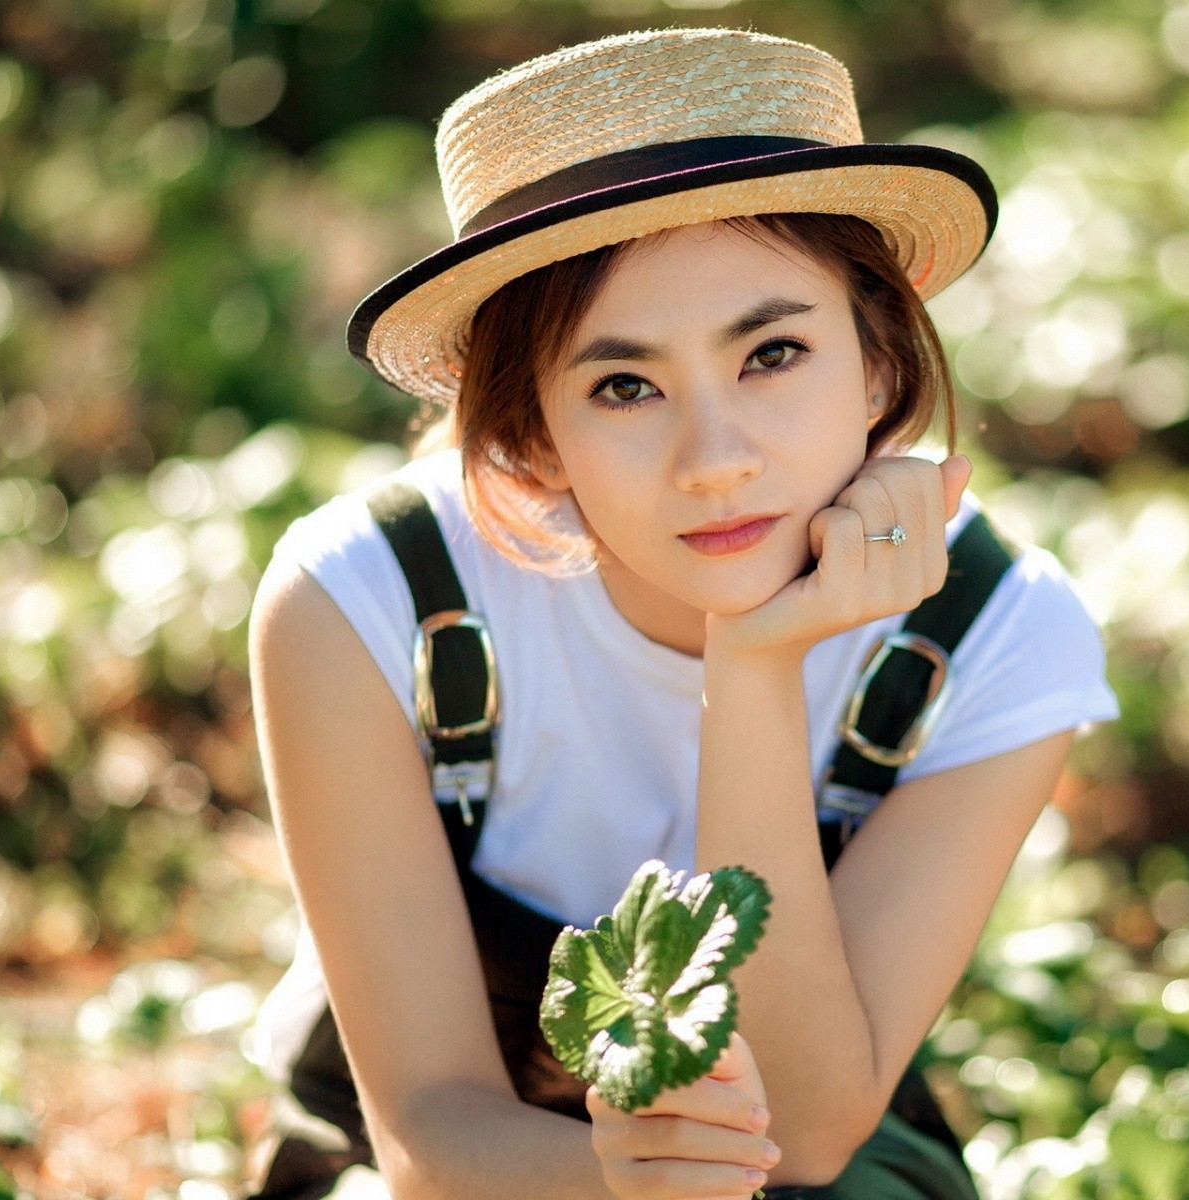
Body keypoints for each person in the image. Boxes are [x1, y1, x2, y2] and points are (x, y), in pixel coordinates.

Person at [241, 25, 1120, 1200]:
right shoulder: (367, 599)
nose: (715, 460)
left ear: (876, 361)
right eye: (623, 385)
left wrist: (754, 667)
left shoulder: (999, 631)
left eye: (772, 354)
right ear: (530, 433)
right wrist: (627, 1182)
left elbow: (805, 1139)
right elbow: (427, 1135)